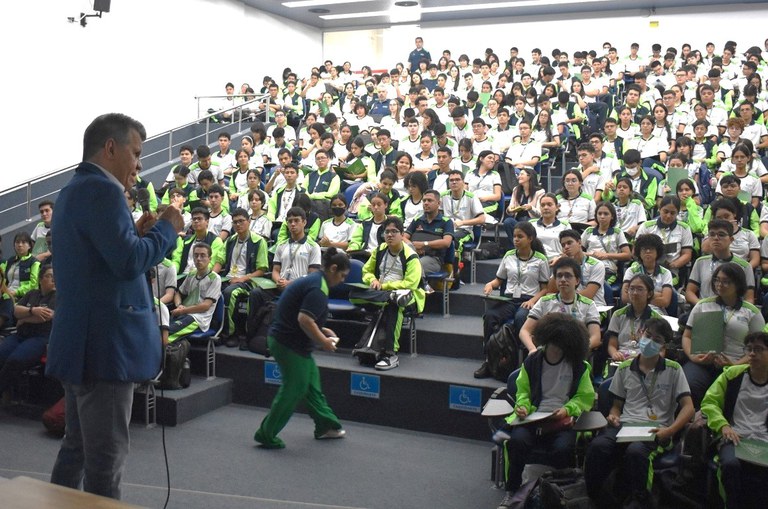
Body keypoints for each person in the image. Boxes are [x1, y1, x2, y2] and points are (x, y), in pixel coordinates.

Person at [48, 113, 184, 499]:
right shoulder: (104, 191)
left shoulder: (72, 189)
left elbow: (100, 258)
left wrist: (135, 234)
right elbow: (128, 262)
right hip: (105, 349)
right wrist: (167, 228)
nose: (139, 165)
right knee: (105, 462)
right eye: (136, 153)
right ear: (111, 148)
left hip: (80, 342)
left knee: (76, 448)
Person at [585, 318, 694, 505]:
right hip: (625, 426)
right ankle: (594, 497)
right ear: (640, 334)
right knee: (598, 446)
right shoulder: (625, 368)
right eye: (647, 335)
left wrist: (670, 431)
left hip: (657, 429)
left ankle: (640, 499)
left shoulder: (674, 370)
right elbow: (617, 405)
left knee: (636, 452)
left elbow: (689, 407)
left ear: (663, 345)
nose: (649, 342)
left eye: (656, 340)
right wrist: (613, 416)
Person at [253, 248, 350, 449]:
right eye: (342, 275)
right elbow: (304, 320)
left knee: (311, 385)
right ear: (333, 268)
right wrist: (324, 341)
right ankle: (266, 434)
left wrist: (323, 329)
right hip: (288, 344)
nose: (342, 280)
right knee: (294, 389)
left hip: (292, 342)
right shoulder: (318, 289)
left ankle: (326, 426)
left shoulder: (316, 281)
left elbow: (303, 314)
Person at [495, 313, 595, 508]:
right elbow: (522, 391)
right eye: (554, 344)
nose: (557, 349)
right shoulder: (532, 361)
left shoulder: (579, 366)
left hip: (561, 422)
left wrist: (567, 410)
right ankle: (512, 490)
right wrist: (522, 406)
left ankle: (560, 494)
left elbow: (585, 398)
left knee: (563, 449)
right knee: (517, 442)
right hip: (532, 418)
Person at [700, 331, 768, 509]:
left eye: (759, 349)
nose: (752, 354)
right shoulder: (732, 374)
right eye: (749, 349)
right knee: (730, 465)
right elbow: (709, 403)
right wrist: (723, 425)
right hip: (734, 437)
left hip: (764, 441)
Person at [682, 262, 765, 408]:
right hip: (703, 362)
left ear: (738, 284)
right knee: (690, 384)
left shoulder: (751, 312)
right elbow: (687, 336)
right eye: (717, 280)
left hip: (737, 363)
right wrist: (692, 356)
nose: (720, 285)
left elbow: (760, 348)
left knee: (732, 393)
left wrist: (735, 365)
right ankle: (693, 418)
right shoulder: (703, 305)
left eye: (726, 281)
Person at [478, 222, 551, 378]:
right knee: (490, 316)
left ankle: (519, 361)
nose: (516, 239)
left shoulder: (540, 259)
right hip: (509, 299)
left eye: (520, 237)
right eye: (514, 236)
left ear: (530, 238)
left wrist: (533, 301)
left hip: (529, 300)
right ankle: (489, 360)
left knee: (520, 318)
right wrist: (490, 285)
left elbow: (545, 289)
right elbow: (499, 280)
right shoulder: (509, 255)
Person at [351, 217, 425, 371]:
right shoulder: (380, 250)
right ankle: (388, 297)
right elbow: (366, 271)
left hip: (408, 295)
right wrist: (372, 280)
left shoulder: (411, 256)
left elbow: (410, 283)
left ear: (402, 234)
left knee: (394, 304)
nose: (390, 235)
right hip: (381, 292)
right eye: (387, 232)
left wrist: (385, 286)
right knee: (353, 294)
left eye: (394, 231)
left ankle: (390, 354)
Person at [0, 265, 56, 396]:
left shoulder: (57, 296)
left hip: (40, 337)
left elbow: (45, 316)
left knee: (15, 360)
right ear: (40, 279)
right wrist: (32, 310)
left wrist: (24, 319)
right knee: (1, 354)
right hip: (20, 335)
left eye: (55, 277)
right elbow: (15, 310)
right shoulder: (32, 293)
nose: (53, 279)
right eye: (49, 276)